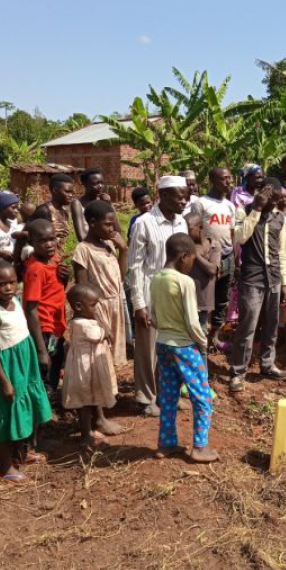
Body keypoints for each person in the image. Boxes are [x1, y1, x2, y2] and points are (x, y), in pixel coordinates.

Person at [0, 261, 52, 484]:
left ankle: (22, 453)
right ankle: (5, 467)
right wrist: (4, 382)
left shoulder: (16, 302)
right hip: (7, 368)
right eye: (1, 284)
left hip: (24, 364)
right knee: (5, 414)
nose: (8, 288)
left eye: (12, 282)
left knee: (26, 406)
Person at [150, 233, 218, 463]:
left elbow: (154, 317)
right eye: (192, 259)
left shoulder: (156, 278)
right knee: (203, 397)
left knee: (168, 396)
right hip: (184, 346)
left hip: (162, 344)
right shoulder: (184, 282)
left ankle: (166, 444)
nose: (192, 264)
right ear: (183, 257)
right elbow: (192, 321)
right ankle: (200, 447)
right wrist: (203, 343)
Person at [127, 175, 189, 416]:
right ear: (163, 195)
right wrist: (139, 303)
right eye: (179, 196)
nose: (184, 200)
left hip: (173, 293)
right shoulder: (144, 223)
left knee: (171, 346)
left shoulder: (181, 222)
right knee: (148, 348)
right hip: (150, 291)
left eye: (185, 195)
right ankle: (145, 397)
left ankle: (166, 394)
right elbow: (134, 267)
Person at [229, 178, 286, 392]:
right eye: (272, 197)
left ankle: (267, 364)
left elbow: (283, 252)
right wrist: (255, 209)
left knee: (271, 324)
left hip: (273, 277)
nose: (276, 201)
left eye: (278, 197)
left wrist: (284, 282)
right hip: (252, 278)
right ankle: (238, 372)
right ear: (262, 194)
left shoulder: (279, 218)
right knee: (248, 327)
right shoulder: (243, 211)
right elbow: (240, 237)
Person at [72, 201, 128, 368]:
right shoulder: (83, 249)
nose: (112, 229)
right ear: (92, 223)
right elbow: (81, 290)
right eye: (107, 224)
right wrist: (98, 320)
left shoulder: (109, 244)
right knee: (99, 356)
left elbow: (121, 277)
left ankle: (110, 391)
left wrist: (124, 250)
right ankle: (102, 392)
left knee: (112, 357)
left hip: (116, 304)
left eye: (113, 224)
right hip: (97, 308)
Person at [62, 283, 118, 448]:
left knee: (89, 399)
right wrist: (105, 330)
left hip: (87, 366)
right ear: (79, 306)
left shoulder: (84, 319)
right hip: (84, 369)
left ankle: (90, 431)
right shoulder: (81, 324)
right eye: (93, 305)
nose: (96, 309)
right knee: (85, 402)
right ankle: (86, 436)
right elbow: (98, 335)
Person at [21, 219, 69, 408]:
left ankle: (46, 414)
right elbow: (31, 309)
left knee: (55, 368)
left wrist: (66, 278)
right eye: (43, 241)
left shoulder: (54, 259)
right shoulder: (36, 269)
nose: (50, 244)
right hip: (44, 328)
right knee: (45, 374)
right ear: (32, 242)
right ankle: (39, 424)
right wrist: (41, 350)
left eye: (52, 239)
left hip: (55, 325)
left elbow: (55, 290)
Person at [190, 167, 235, 348]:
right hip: (208, 257)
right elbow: (193, 228)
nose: (228, 182)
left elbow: (231, 233)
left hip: (227, 256)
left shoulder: (230, 205)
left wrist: (234, 256)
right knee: (205, 299)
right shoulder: (201, 203)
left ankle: (214, 336)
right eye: (224, 179)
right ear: (213, 180)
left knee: (222, 298)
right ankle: (200, 335)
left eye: (229, 178)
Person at [185, 211, 221, 328]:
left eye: (189, 229)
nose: (185, 232)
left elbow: (212, 270)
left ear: (200, 228)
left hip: (203, 301)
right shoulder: (182, 245)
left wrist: (195, 254)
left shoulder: (213, 245)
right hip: (185, 300)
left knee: (201, 333)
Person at [72, 169, 118, 242]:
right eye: (95, 183)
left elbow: (117, 232)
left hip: (107, 247)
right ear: (84, 184)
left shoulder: (105, 201)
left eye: (102, 183)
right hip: (89, 247)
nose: (100, 186)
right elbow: (81, 236)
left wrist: (109, 205)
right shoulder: (77, 204)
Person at [43, 173, 75, 249]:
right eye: (67, 192)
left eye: (71, 192)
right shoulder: (45, 210)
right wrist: (51, 235)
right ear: (55, 190)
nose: (71, 195)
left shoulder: (65, 212)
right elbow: (27, 233)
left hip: (58, 256)